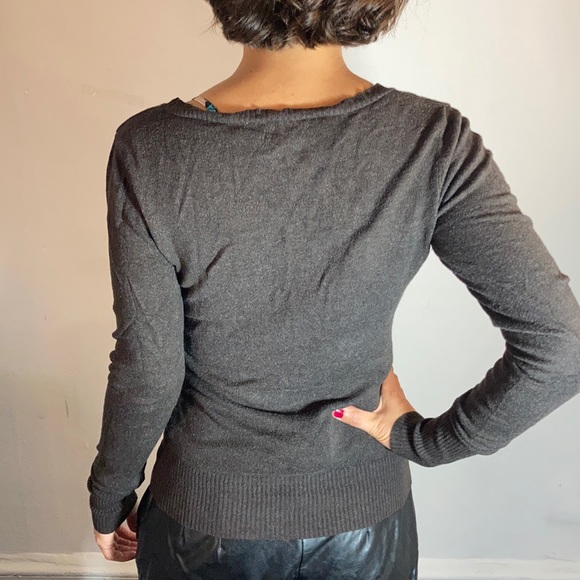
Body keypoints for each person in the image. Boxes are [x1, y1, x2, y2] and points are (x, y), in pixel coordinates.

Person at [87, 1, 580, 578]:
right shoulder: (431, 139)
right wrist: (431, 443)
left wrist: (110, 495)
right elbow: (560, 346)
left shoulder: (151, 146)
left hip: (205, 523)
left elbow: (149, 365)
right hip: (364, 523)